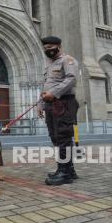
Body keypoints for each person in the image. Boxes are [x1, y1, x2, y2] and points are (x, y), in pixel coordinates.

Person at [37, 36, 80, 186]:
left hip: (64, 102)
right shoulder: (50, 65)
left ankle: (64, 173)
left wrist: (54, 93)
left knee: (63, 137)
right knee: (56, 137)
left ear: (58, 46)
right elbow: (46, 86)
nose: (47, 50)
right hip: (51, 104)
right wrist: (41, 105)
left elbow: (71, 79)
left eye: (50, 48)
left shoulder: (68, 60)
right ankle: (68, 169)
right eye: (45, 48)